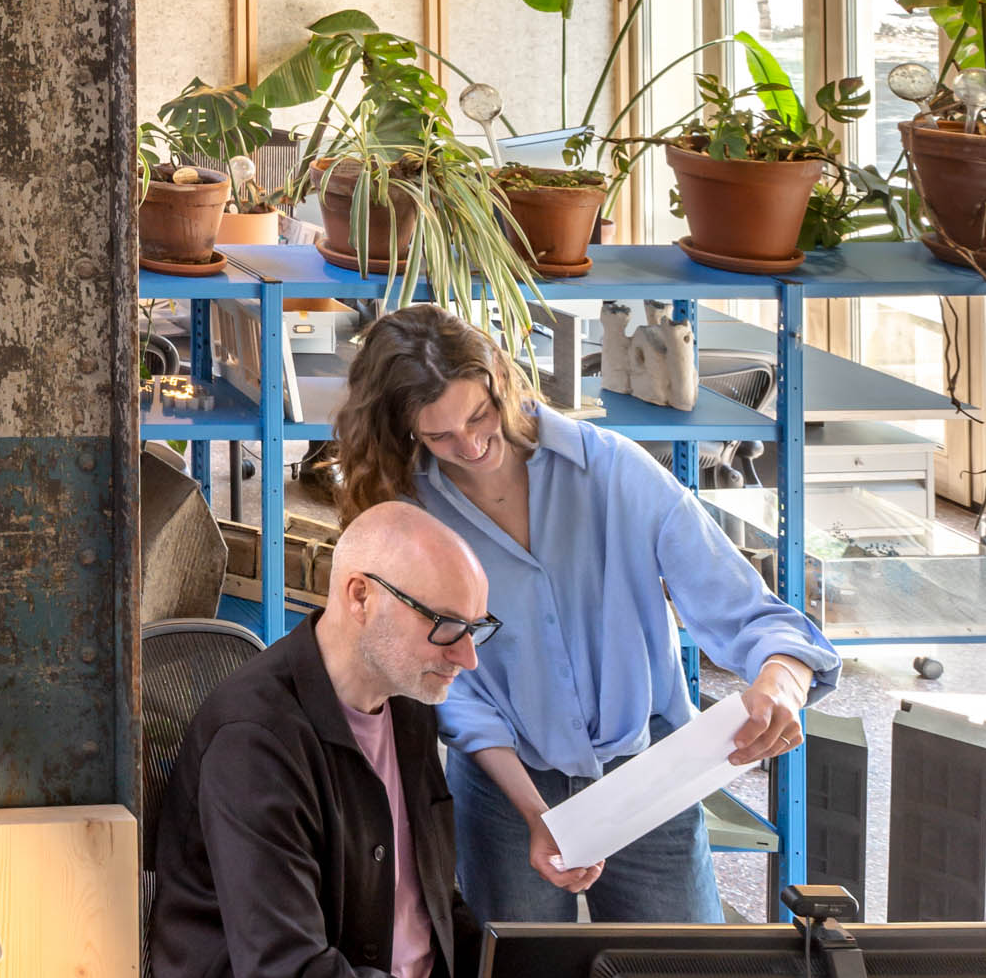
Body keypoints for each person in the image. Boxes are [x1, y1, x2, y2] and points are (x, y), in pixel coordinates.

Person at [329, 302, 834, 926]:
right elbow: (446, 686)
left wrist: (780, 681)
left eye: (480, 416)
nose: (471, 444)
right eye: (439, 436)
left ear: (499, 382)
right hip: (504, 791)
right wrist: (534, 811)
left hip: (649, 775)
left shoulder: (612, 469)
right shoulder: (412, 515)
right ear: (403, 431)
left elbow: (750, 612)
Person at [146, 500, 494, 978]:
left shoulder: (406, 701)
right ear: (361, 596)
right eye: (445, 625)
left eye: (476, 628)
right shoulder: (255, 741)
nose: (468, 657)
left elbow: (431, 900)